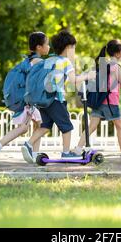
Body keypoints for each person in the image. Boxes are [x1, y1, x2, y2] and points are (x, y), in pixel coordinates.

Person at [21, 30, 95, 163]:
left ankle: (28, 144)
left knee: (45, 126)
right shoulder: (66, 61)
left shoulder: (48, 60)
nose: (73, 50)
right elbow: (73, 80)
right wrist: (88, 76)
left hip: (44, 99)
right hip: (56, 99)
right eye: (73, 47)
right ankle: (66, 153)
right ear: (67, 48)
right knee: (67, 127)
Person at [0, 32, 50, 165]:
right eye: (47, 44)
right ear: (39, 47)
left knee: (37, 125)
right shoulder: (39, 62)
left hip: (26, 98)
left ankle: (34, 154)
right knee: (25, 128)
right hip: (30, 100)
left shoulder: (28, 60)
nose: (49, 47)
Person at [73, 39, 121, 162]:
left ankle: (78, 148)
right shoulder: (115, 67)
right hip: (110, 102)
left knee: (92, 126)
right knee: (120, 126)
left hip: (99, 101)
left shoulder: (104, 65)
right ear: (118, 53)